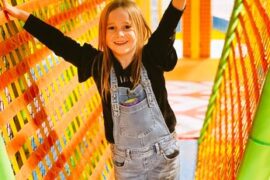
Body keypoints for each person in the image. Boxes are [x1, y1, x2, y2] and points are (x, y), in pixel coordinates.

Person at [2, 0, 186, 179]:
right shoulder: (98, 64)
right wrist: (22, 16)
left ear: (139, 28)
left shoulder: (152, 56)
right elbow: (60, 43)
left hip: (163, 155)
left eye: (127, 27)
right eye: (111, 28)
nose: (119, 34)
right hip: (126, 163)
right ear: (103, 34)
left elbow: (170, 21)